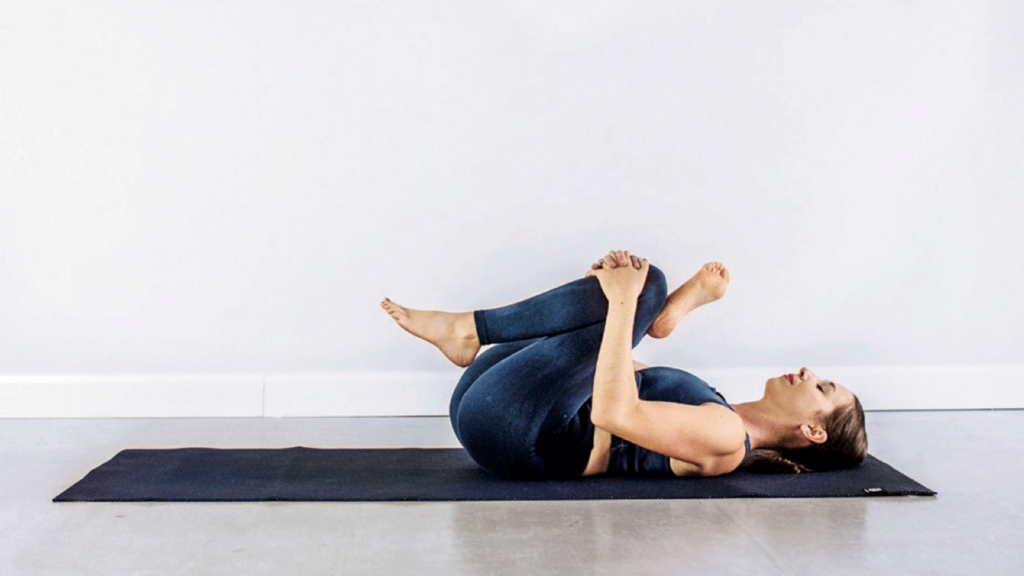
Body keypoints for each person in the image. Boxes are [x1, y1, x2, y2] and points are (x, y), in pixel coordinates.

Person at [381, 250, 867, 480]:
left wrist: (622, 305)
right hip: (500, 403)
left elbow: (614, 414)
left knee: (641, 287)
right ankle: (661, 314)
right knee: (634, 289)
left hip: (522, 438)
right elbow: (609, 366)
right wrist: (601, 305)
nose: (808, 373)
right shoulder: (719, 409)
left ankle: (469, 330)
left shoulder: (727, 440)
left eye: (822, 388)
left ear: (812, 431)